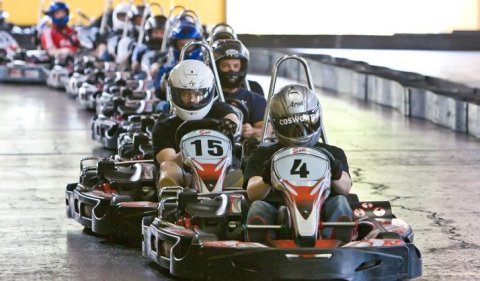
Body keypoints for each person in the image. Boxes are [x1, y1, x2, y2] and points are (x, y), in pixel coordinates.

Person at [243, 84, 354, 243]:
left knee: (340, 202)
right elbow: (252, 193)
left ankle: (336, 241)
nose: (299, 131)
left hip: (321, 212)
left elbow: (345, 188)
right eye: (291, 125)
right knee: (258, 208)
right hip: (277, 212)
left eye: (304, 123)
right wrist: (266, 179)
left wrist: (335, 173)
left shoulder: (333, 153)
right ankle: (262, 245)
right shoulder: (263, 154)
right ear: (277, 124)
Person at [152, 59, 240, 189]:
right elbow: (168, 159)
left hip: (221, 169)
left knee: (236, 172)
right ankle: (172, 201)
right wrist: (193, 152)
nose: (192, 99)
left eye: (198, 94)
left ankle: (232, 195)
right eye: (186, 94)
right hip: (185, 177)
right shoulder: (164, 126)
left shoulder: (218, 110)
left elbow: (232, 119)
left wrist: (230, 124)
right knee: (169, 168)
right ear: (174, 93)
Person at [212, 39, 267, 139]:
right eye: (225, 66)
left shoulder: (255, 100)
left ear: (242, 67)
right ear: (216, 67)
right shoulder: (207, 97)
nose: (231, 70)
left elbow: (267, 129)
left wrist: (252, 131)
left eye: (236, 66)